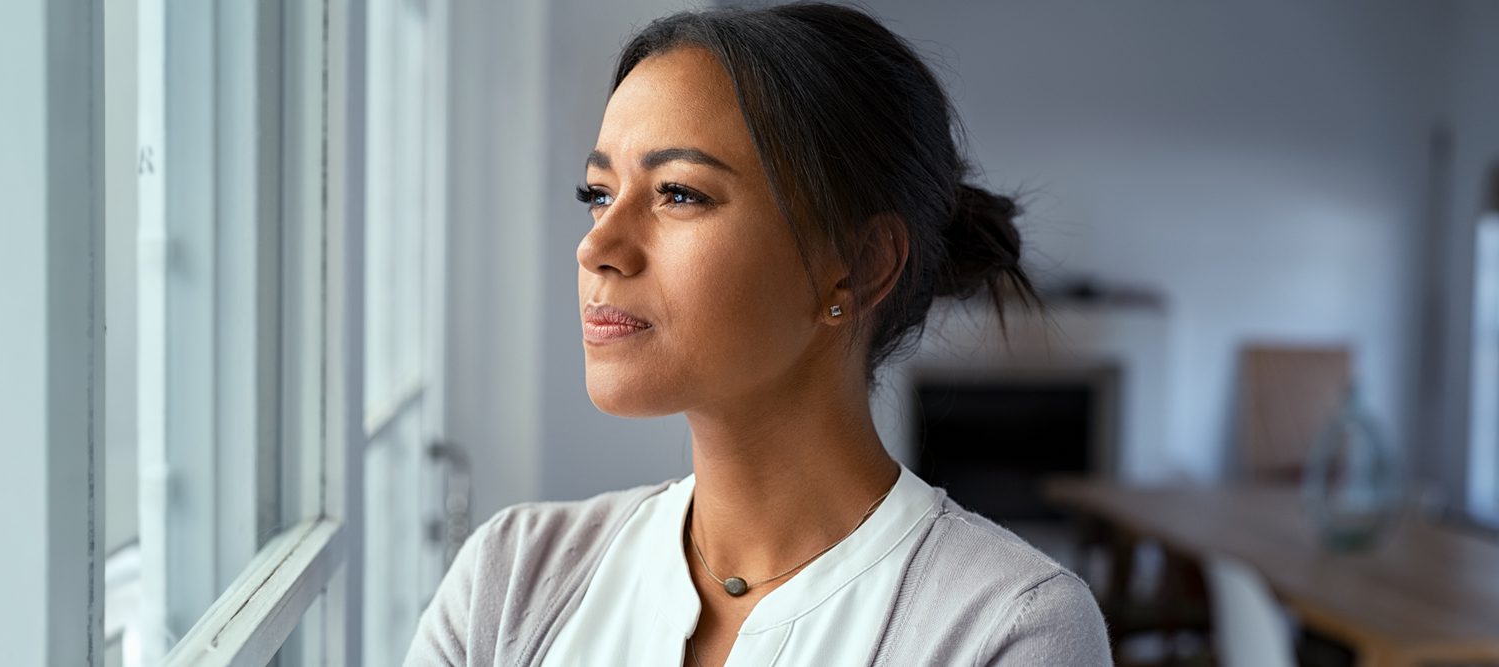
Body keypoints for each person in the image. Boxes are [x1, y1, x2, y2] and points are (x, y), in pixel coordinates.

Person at [406, 3, 1110, 665]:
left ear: (857, 268)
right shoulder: (509, 577)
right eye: (599, 194)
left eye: (678, 193)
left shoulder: (1007, 628)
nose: (596, 247)